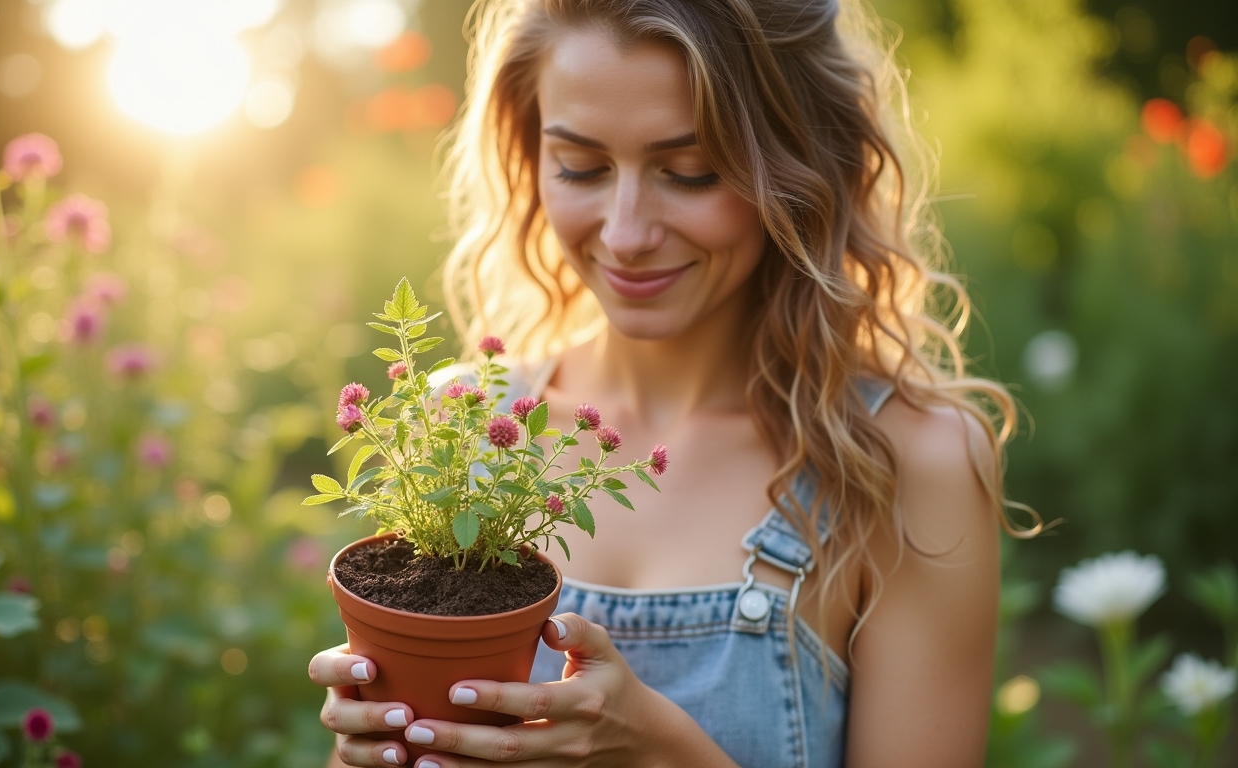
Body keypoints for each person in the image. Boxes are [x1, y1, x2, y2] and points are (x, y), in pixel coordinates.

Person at [308, 0, 1041, 766]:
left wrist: (658, 753)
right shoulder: (462, 426)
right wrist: (371, 745)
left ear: (803, 164)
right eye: (581, 167)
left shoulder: (906, 464)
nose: (625, 234)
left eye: (692, 172)